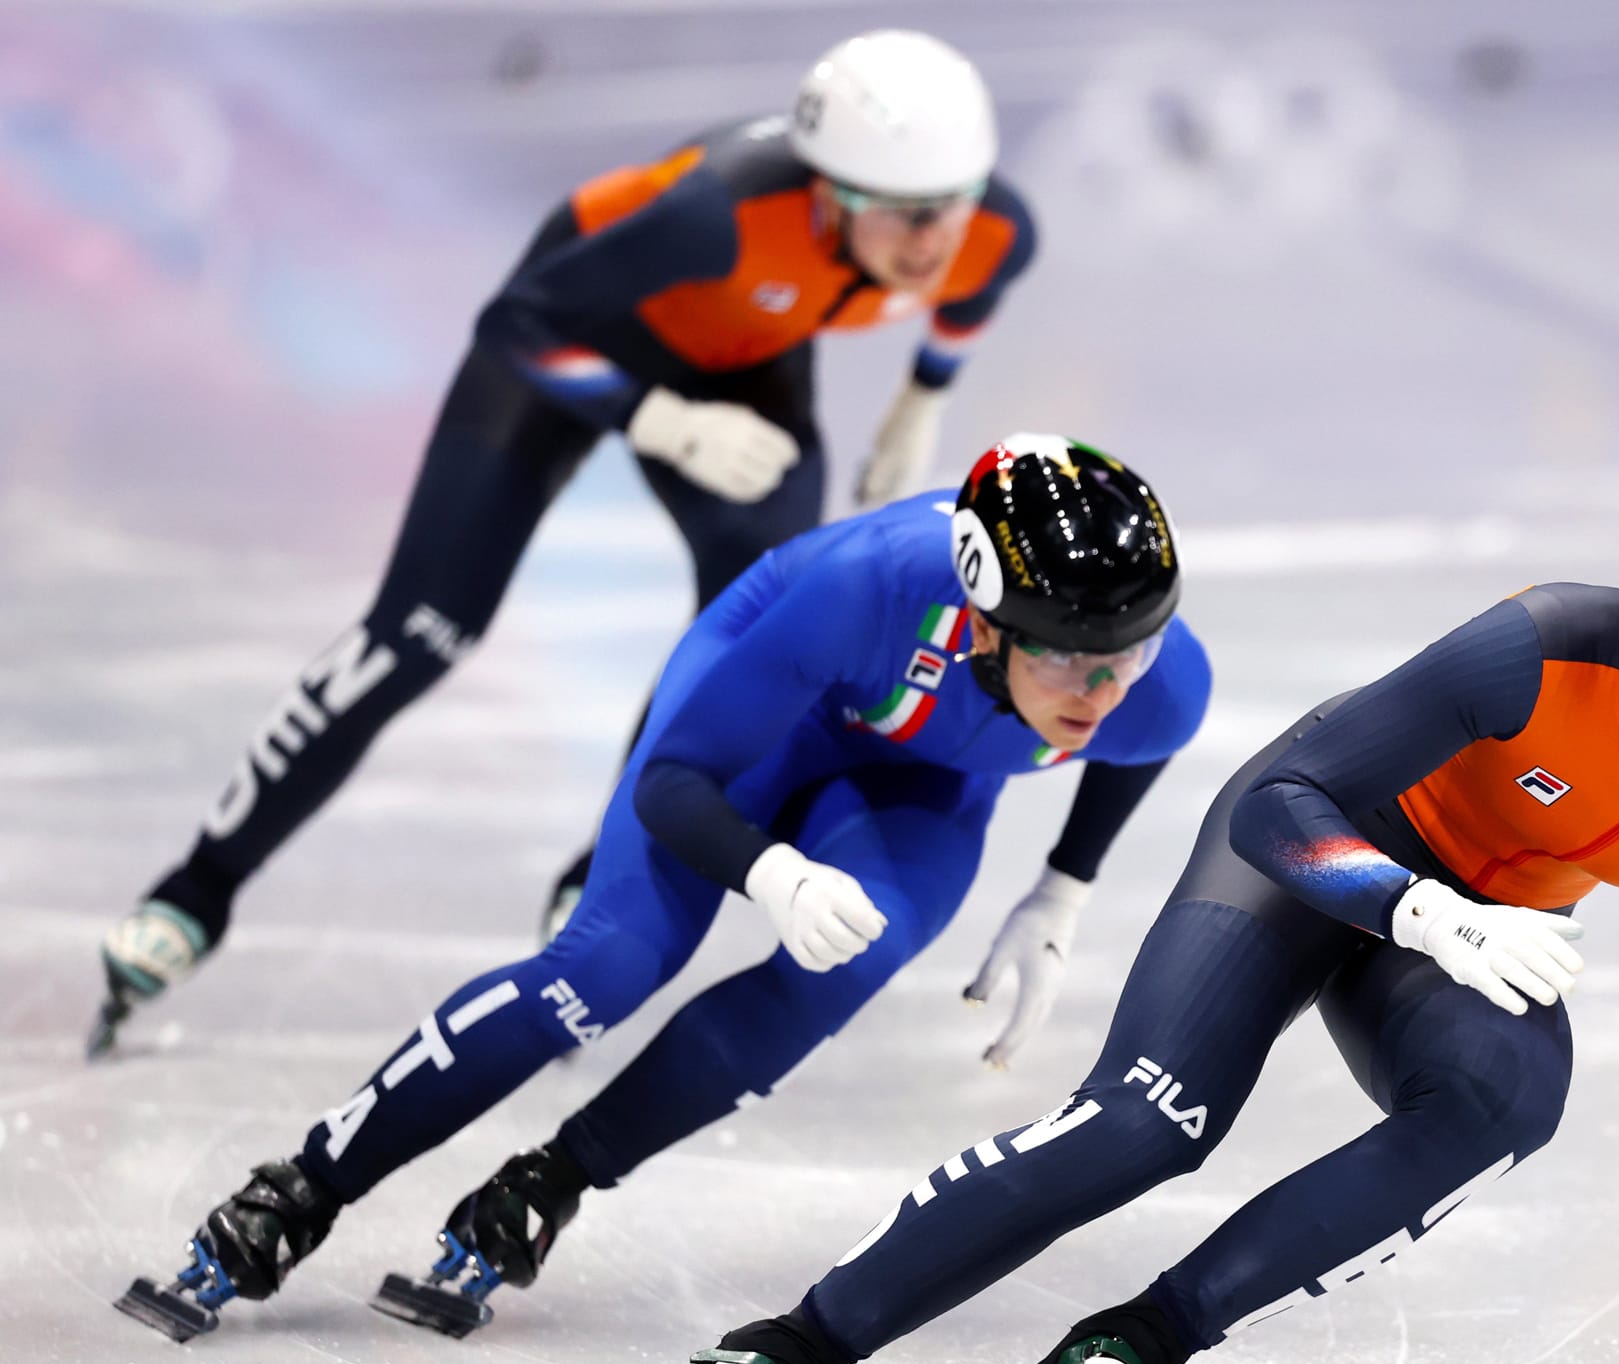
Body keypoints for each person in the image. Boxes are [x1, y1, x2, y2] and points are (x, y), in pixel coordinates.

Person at [595, 471, 1619, 1364]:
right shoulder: (1539, 649)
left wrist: (1466, 925)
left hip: (1472, 922)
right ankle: (789, 1348)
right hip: (1317, 854)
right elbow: (1280, 805)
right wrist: (1425, 912)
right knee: (1149, 1123)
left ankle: (1136, 1340)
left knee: (1505, 1101)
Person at [114, 435, 1210, 1343]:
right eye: (1073, 661)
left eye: (1132, 653)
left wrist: (1060, 890)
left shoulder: (1156, 686)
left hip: (925, 770)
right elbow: (676, 783)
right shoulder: (854, 591)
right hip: (761, 711)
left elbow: (1133, 744)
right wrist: (767, 867)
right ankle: (304, 1186)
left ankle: (553, 1178)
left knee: (849, 963)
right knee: (601, 967)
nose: (1106, 691)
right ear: (982, 623)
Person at [91, 29, 1038, 1056]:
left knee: (749, 636)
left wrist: (919, 401)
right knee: (421, 630)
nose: (932, 242)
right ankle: (198, 884)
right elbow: (517, 322)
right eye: (903, 215)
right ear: (828, 194)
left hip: (743, 364)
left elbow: (971, 286)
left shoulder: (991, 229)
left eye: (951, 206)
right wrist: (660, 422)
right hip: (568, 346)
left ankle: (601, 875)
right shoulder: (715, 210)